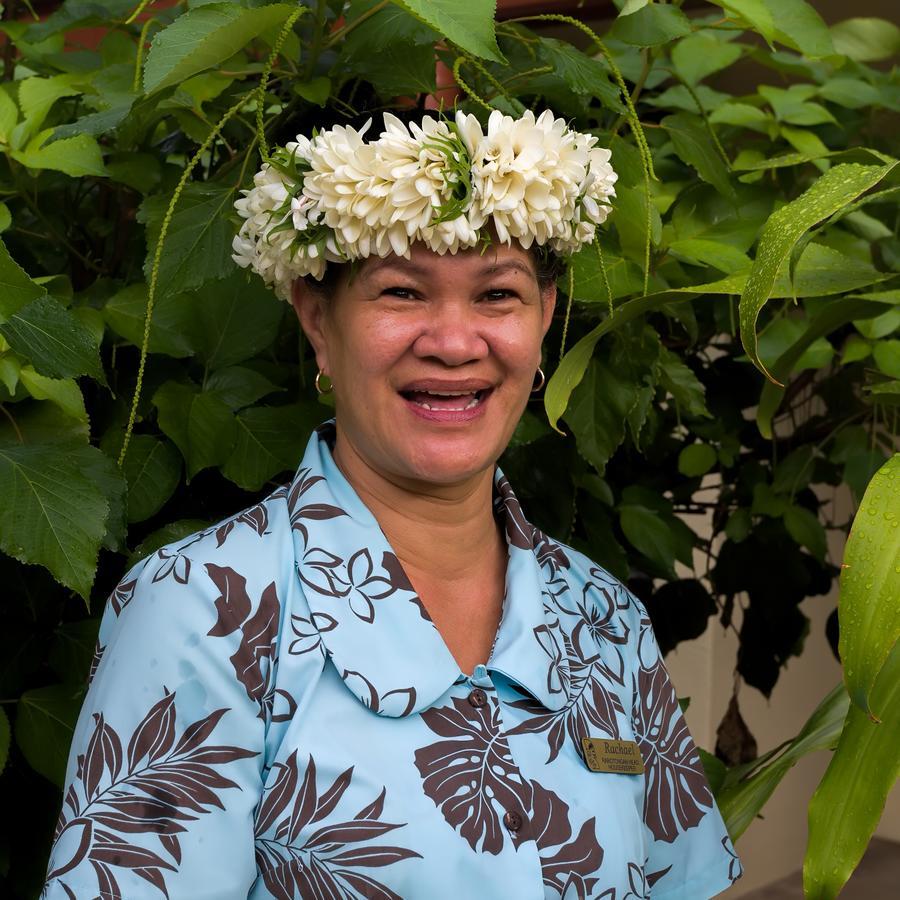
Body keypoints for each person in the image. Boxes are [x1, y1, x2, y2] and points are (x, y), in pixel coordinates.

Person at [44, 109, 741, 899]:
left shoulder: (605, 620)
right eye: (402, 290)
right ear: (317, 320)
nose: (453, 342)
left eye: (498, 294)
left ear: (545, 320)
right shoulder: (206, 613)